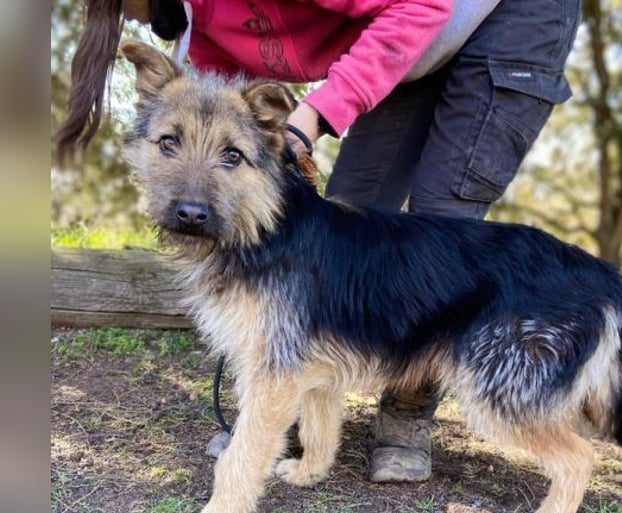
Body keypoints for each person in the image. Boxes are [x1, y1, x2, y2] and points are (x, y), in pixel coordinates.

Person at [56, 0, 581, 482]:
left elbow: (422, 7)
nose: (132, 15)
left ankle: (407, 413)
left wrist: (310, 117)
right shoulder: (194, 31)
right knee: (347, 216)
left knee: (441, 225)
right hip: (404, 45)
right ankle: (299, 424)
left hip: (498, 18)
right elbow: (231, 109)